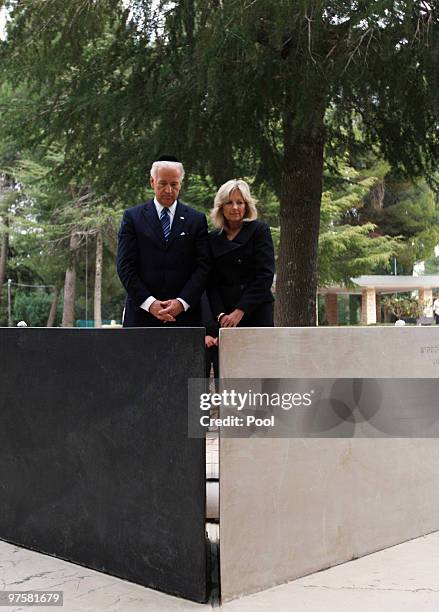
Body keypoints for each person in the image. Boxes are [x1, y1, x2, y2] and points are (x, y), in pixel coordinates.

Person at [117, 156, 210, 327]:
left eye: (174, 184)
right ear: (152, 182)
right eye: (163, 183)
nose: (168, 190)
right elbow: (125, 266)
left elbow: (204, 266)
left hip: (185, 318)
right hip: (141, 316)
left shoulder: (196, 220)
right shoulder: (133, 218)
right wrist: (150, 303)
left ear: (180, 184)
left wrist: (181, 302)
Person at [207, 179, 275, 328]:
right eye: (229, 203)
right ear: (221, 207)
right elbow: (211, 282)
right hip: (225, 316)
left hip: (256, 310)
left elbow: (265, 275)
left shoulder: (259, 231)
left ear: (247, 206)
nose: (235, 207)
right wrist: (220, 314)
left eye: (240, 202)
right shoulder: (212, 238)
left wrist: (240, 310)